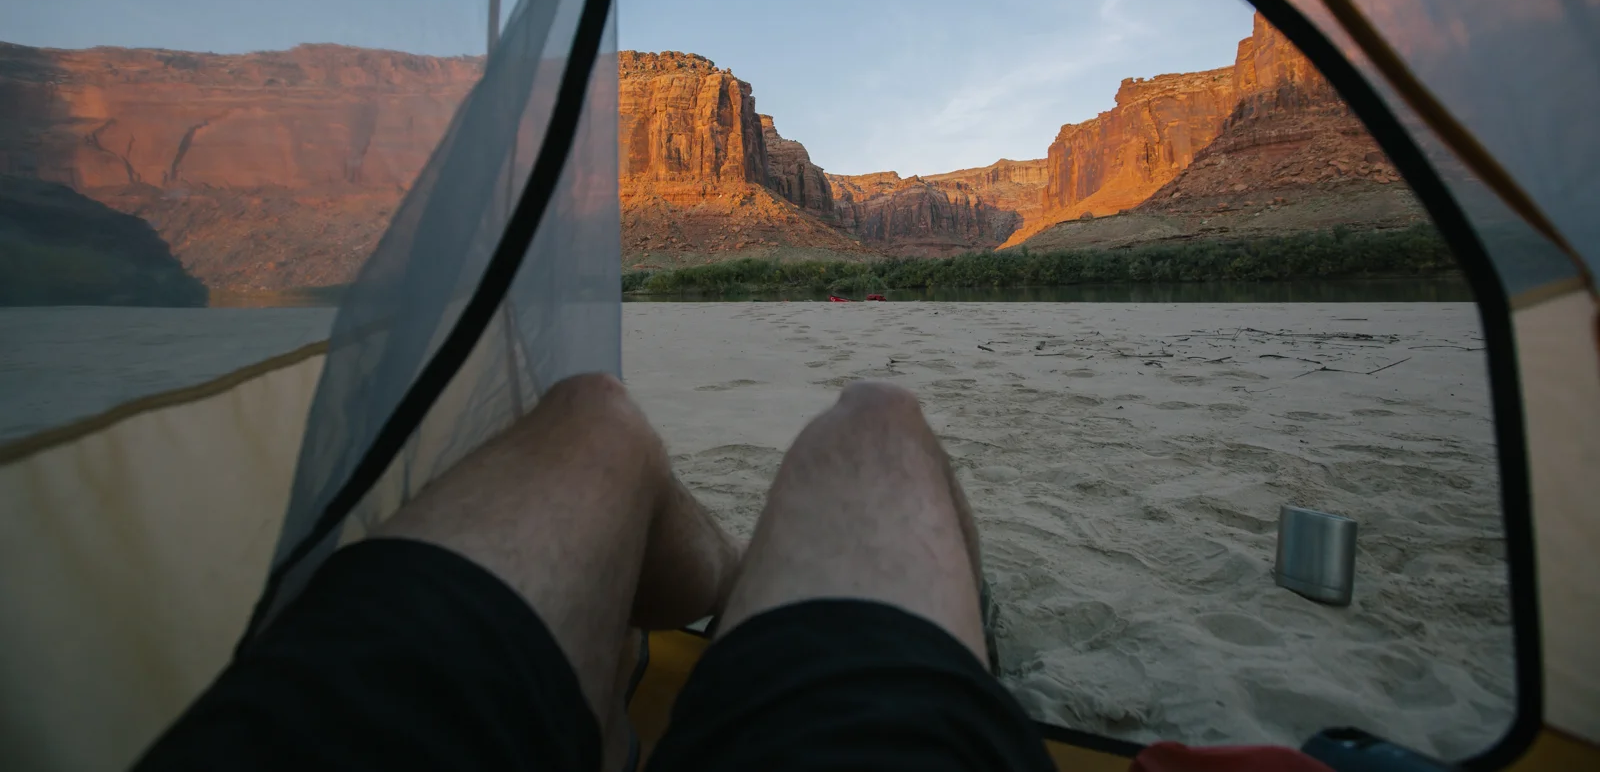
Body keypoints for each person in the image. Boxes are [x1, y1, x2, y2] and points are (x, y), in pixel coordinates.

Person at [134, 375, 1055, 771]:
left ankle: (731, 594)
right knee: (877, 413)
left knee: (594, 408)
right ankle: (779, 601)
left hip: (329, 732)